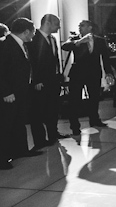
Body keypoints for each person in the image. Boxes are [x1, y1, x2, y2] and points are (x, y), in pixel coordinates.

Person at [0, 18, 42, 170]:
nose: (33, 35)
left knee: (19, 122)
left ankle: (20, 150)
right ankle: (2, 158)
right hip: (10, 94)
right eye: (33, 32)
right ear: (26, 32)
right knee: (6, 125)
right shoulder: (5, 44)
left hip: (21, 91)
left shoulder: (21, 44)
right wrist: (6, 92)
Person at [61, 20, 113, 135]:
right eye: (79, 26)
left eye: (82, 26)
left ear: (90, 27)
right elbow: (64, 47)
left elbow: (105, 58)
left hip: (94, 73)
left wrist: (108, 72)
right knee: (74, 100)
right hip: (77, 74)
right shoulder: (74, 39)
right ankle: (75, 126)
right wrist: (79, 42)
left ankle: (94, 119)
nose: (80, 28)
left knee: (94, 98)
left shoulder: (99, 40)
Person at [28, 14, 69, 150]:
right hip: (41, 82)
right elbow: (33, 62)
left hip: (53, 80)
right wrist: (36, 80)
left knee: (53, 108)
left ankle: (53, 134)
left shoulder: (52, 38)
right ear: (48, 23)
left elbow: (54, 60)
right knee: (39, 111)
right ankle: (40, 140)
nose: (59, 27)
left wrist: (59, 75)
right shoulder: (34, 39)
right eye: (57, 24)